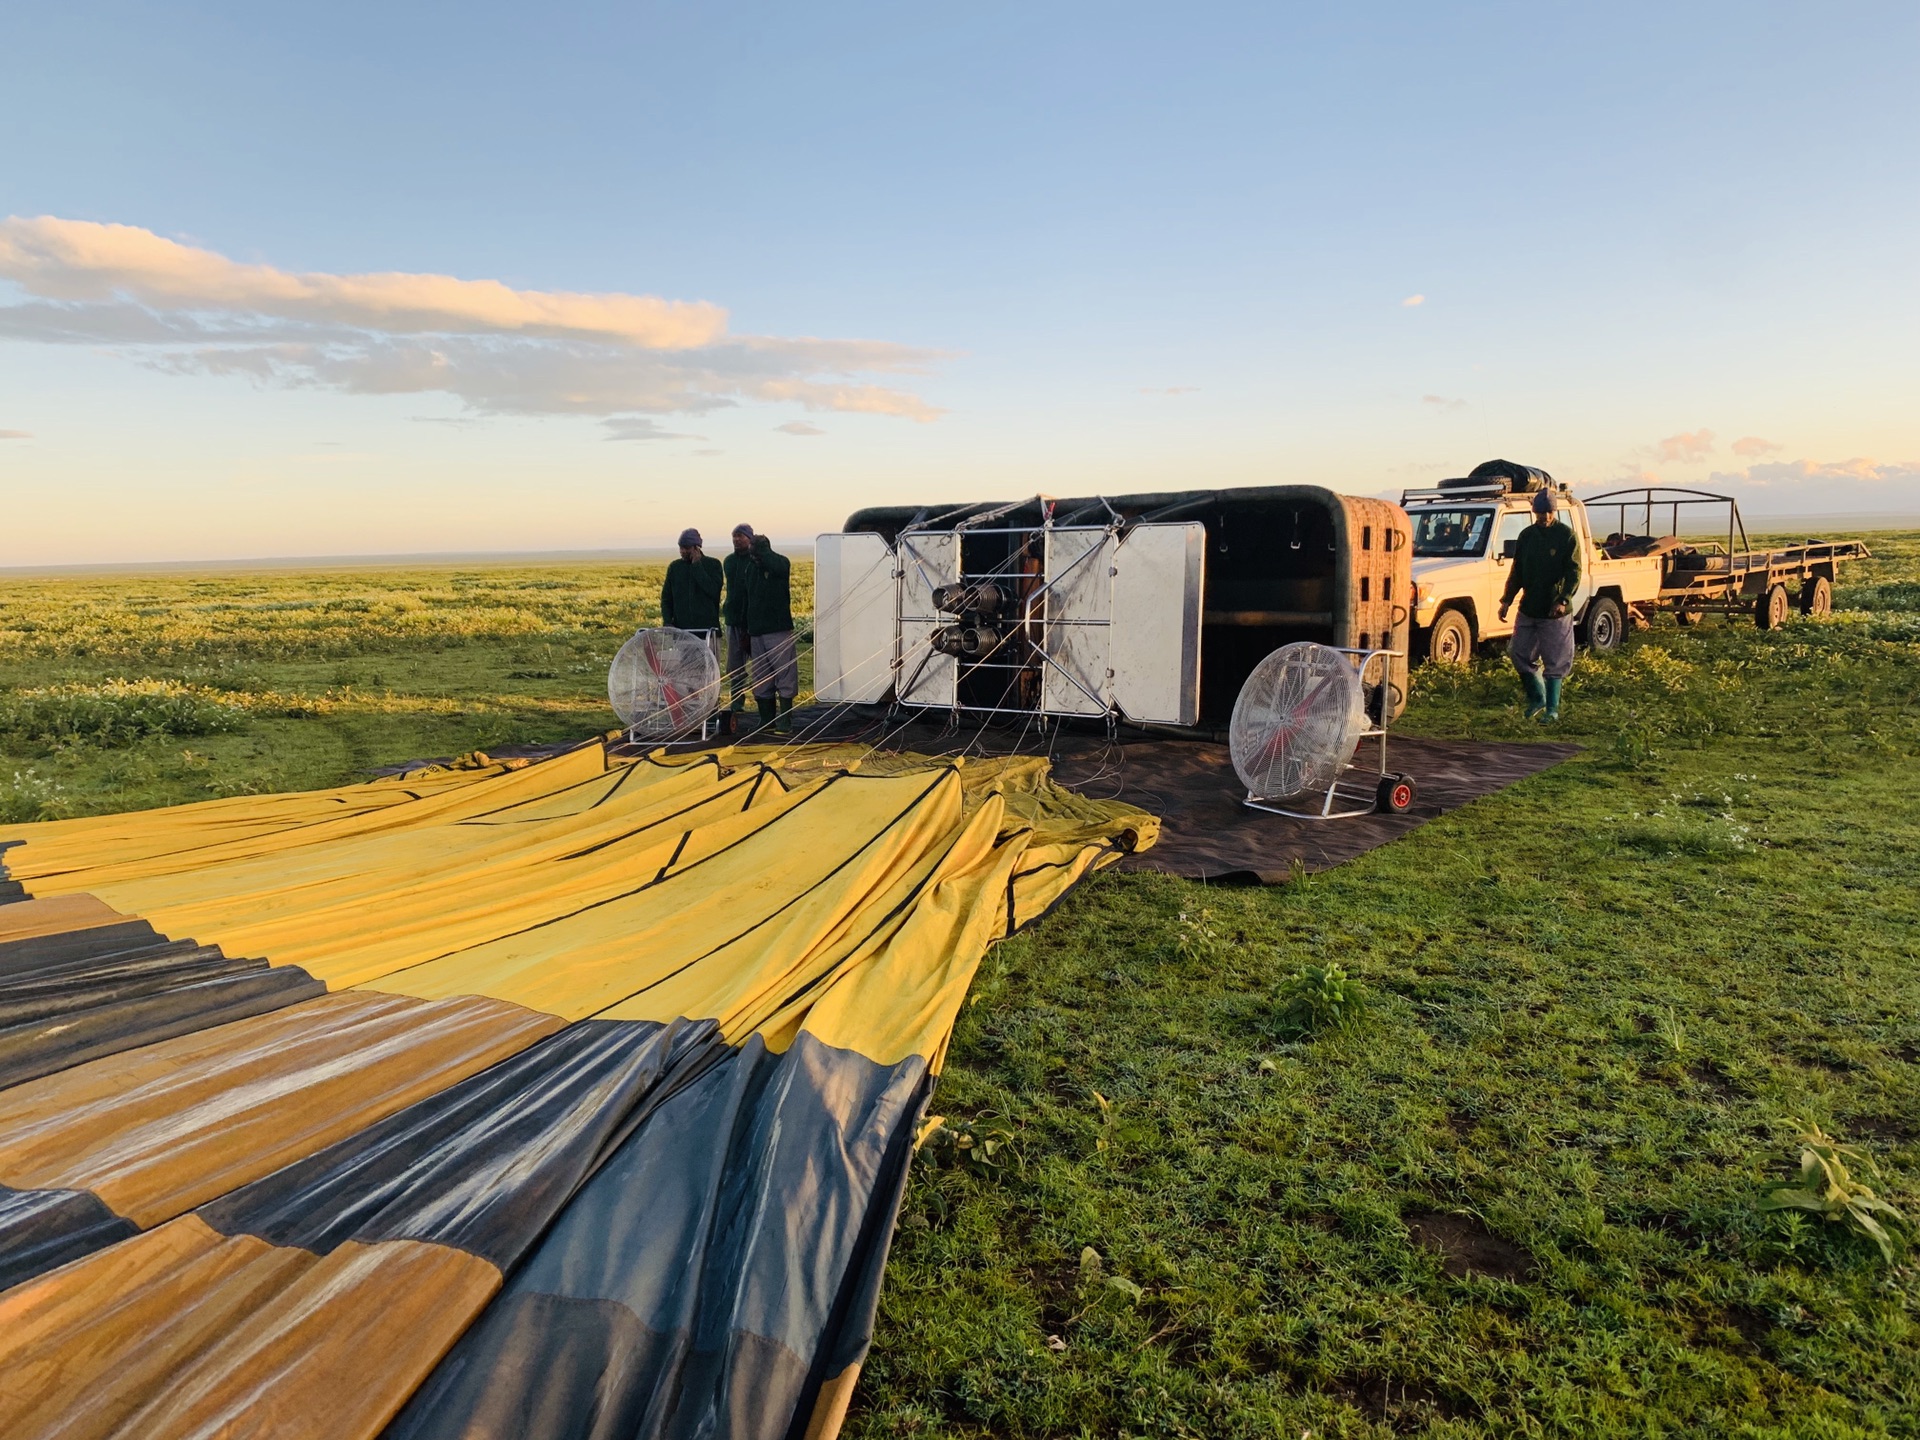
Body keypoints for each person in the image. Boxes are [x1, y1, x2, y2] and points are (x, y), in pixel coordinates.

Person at [1498, 488, 1582, 721]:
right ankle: (1537, 697)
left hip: (1554, 610)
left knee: (1555, 659)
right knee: (1519, 653)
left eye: (1548, 512)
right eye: (1540, 512)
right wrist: (1507, 600)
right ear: (1534, 512)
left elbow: (1574, 571)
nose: (1544, 517)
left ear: (1554, 511)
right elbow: (1517, 571)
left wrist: (1564, 598)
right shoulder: (1527, 536)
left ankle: (1552, 709)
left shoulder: (1566, 536)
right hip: (1529, 607)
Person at [744, 531, 798, 735]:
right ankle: (766, 720)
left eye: (756, 551)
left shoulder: (781, 563)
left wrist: (763, 554)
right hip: (756, 632)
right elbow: (747, 599)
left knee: (784, 675)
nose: (753, 556)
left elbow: (776, 566)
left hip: (778, 630)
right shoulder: (750, 569)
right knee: (761, 677)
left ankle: (785, 721)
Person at [721, 524, 758, 721]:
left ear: (750, 539)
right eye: (734, 536)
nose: (736, 540)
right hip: (733, 620)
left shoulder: (755, 561)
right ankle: (737, 702)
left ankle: (764, 701)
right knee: (734, 664)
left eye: (740, 536)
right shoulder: (728, 561)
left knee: (760, 663)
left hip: (753, 622)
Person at [660, 528, 723, 632]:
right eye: (680, 547)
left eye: (686, 548)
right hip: (682, 633)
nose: (682, 551)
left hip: (708, 631)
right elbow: (666, 598)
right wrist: (667, 621)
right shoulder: (675, 567)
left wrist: (697, 566)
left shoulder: (713, 565)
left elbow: (713, 591)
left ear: (696, 548)